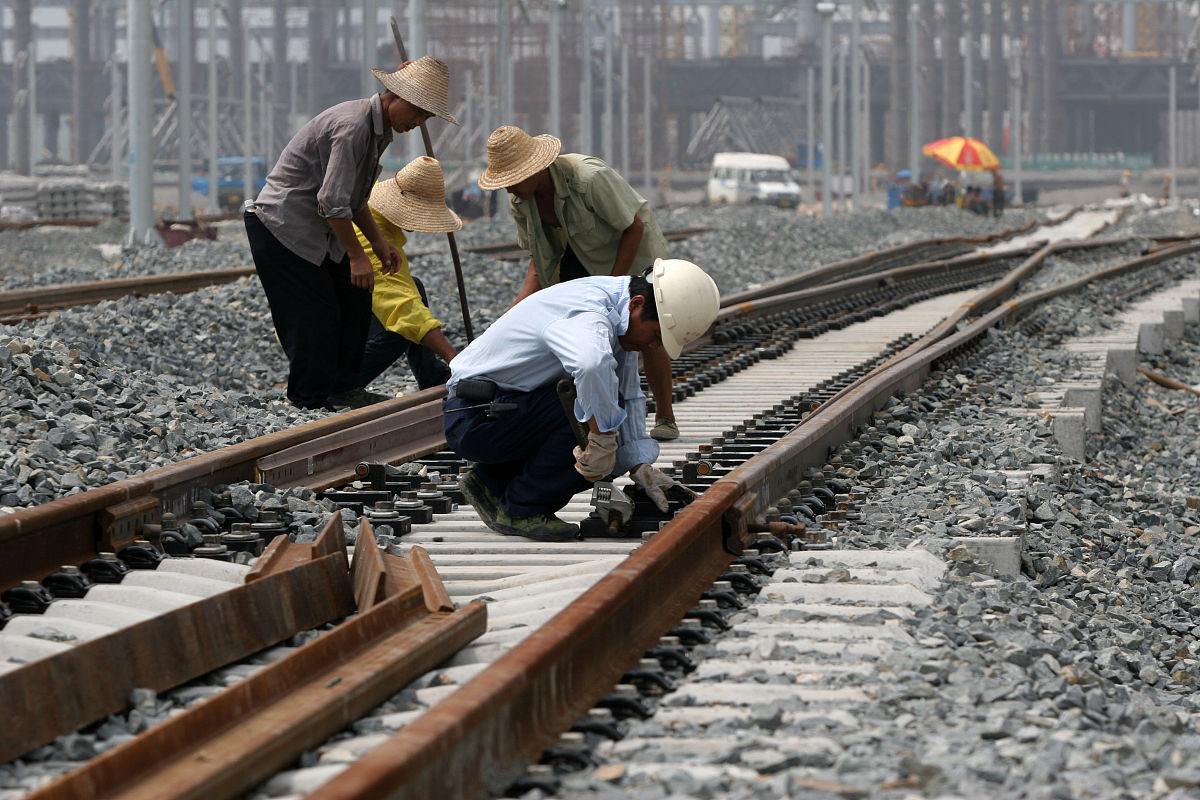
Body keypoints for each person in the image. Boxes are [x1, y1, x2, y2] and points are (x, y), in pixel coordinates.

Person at [443, 259, 720, 541]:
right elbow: (591, 365)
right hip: (475, 417)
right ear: (637, 304)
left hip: (500, 410)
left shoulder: (618, 312)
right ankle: (523, 508)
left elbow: (627, 391)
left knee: (603, 418)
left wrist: (640, 467)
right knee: (592, 424)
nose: (652, 347)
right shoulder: (590, 311)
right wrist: (601, 440)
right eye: (656, 336)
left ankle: (490, 480)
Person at [243, 56, 459, 410]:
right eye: (418, 112)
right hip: (283, 227)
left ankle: (342, 389)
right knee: (315, 313)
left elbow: (356, 198)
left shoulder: (378, 132)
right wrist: (358, 256)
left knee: (355, 300)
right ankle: (308, 399)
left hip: (317, 229)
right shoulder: (354, 126)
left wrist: (377, 242)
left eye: (426, 117)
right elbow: (331, 201)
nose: (419, 122)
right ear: (395, 96)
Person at [476, 125, 683, 442]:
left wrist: (612, 290)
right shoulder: (521, 200)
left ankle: (665, 416)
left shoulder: (588, 178)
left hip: (631, 251)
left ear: (535, 168)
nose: (508, 189)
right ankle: (586, 418)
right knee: (576, 330)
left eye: (512, 180)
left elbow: (633, 227)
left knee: (648, 329)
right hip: (576, 257)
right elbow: (539, 256)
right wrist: (519, 307)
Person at [347, 156, 459, 399]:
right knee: (400, 330)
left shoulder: (374, 211)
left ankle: (430, 375)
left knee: (414, 287)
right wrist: (455, 358)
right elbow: (400, 307)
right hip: (321, 343)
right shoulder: (369, 237)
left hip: (336, 317)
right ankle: (340, 384)